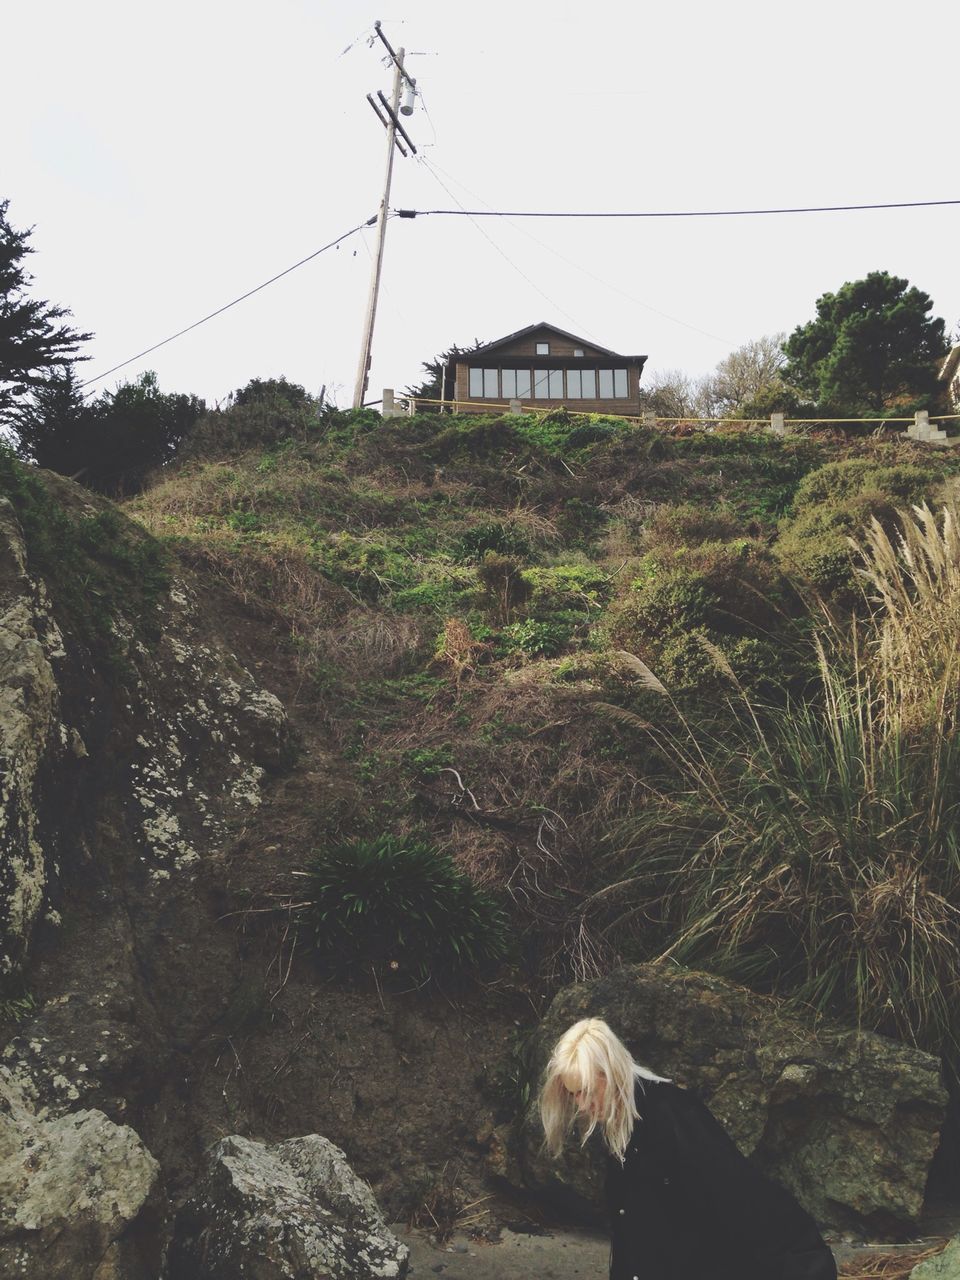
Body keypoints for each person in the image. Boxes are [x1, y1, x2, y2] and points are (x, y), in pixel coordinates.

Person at [538, 1017, 837, 1280]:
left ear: (610, 1072)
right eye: (574, 1094)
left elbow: (736, 1196)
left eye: (587, 1091)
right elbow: (633, 1230)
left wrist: (803, 1261)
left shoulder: (672, 1114)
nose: (581, 1105)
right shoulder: (621, 1124)